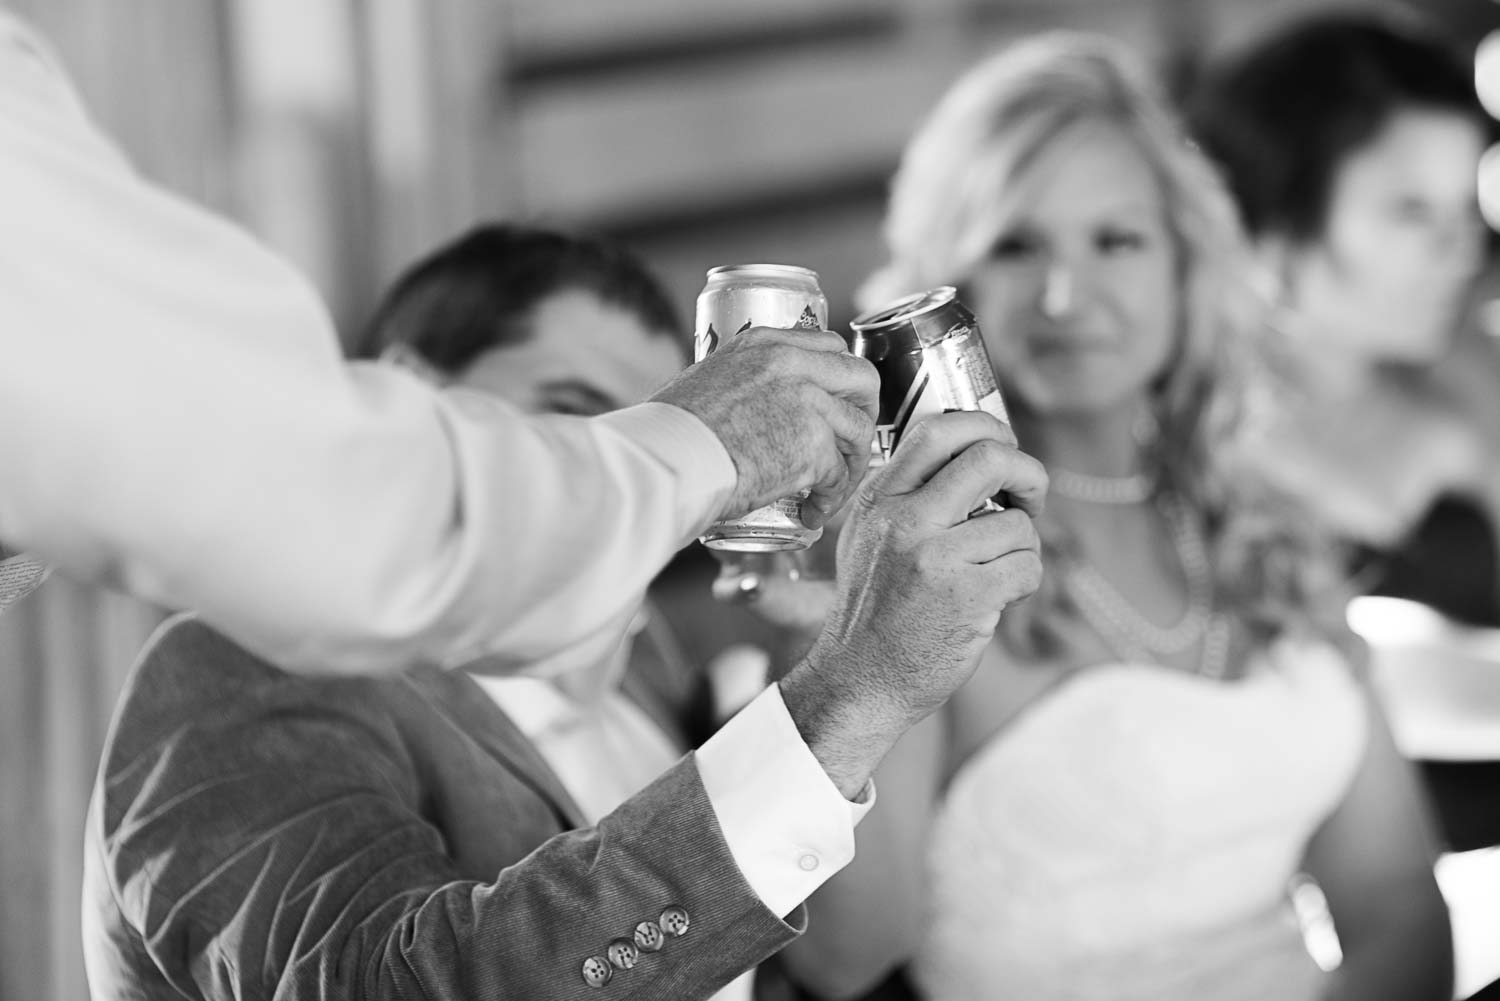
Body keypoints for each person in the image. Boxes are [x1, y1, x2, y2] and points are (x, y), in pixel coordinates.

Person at [774, 33, 1451, 1001]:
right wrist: (839, 676)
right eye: (1016, 245)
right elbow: (841, 961)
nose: (1065, 296)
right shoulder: (912, 555)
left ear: (1185, 268)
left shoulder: (1262, 521)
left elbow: (1394, 905)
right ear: (944, 287)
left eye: (1117, 240)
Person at [0, 9, 878, 677]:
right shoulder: (249, 684)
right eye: (568, 414)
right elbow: (343, 512)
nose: (579, 437)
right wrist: (708, 443)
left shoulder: (657, 674)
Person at [80, 409, 1047, 1001]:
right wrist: (853, 687)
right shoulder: (248, 656)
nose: (640, 486)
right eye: (598, 426)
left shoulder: (648, 675)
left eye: (691, 449)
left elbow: (814, 960)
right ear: (413, 386)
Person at [1186, 10, 1500, 626]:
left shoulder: (1476, 384)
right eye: (1412, 211)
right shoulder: (1182, 433)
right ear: (1279, 216)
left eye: (1465, 208)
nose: (1461, 248)